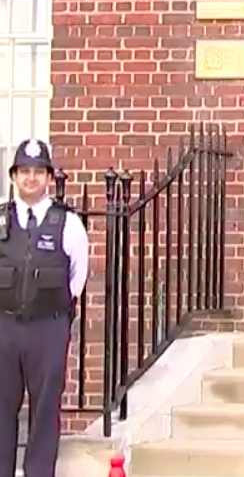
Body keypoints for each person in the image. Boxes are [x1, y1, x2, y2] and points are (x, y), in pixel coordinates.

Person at [0, 138, 89, 477]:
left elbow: (77, 275)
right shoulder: (2, 221)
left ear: (49, 177)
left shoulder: (67, 223)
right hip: (4, 327)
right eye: (24, 171)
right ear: (14, 176)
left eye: (38, 172)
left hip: (48, 328)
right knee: (1, 408)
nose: (31, 178)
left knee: (46, 408)